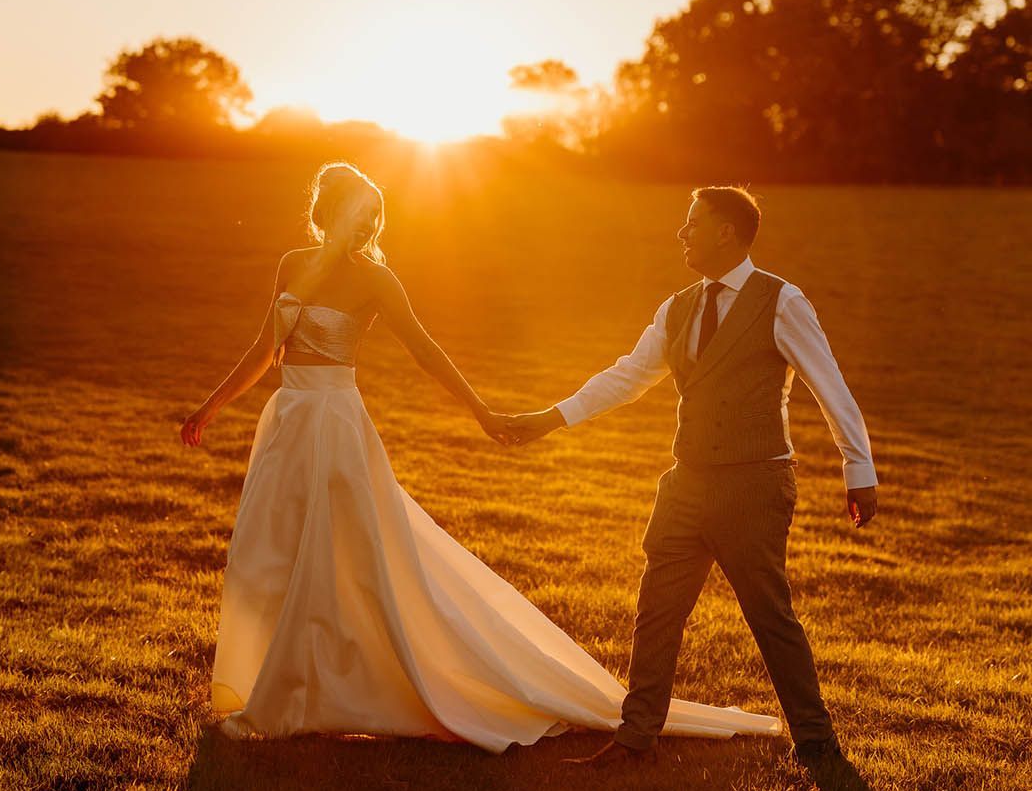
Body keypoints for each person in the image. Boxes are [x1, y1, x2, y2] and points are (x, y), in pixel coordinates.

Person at [179, 163, 781, 752]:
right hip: (287, 417)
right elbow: (265, 347)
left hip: (335, 423)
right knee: (271, 546)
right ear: (327, 212)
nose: (364, 227)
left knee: (341, 552)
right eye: (356, 214)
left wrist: (480, 411)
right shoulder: (292, 265)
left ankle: (311, 690)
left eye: (372, 217)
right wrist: (211, 407)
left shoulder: (376, 280)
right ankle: (270, 677)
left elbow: (427, 351)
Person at [504, 185, 877, 770]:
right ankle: (635, 738)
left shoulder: (781, 300)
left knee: (768, 614)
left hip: (754, 485)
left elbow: (828, 385)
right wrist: (552, 419)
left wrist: (859, 469)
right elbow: (628, 376)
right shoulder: (677, 306)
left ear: (726, 231)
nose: (682, 234)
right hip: (686, 482)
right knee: (657, 608)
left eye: (692, 223)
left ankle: (817, 741)